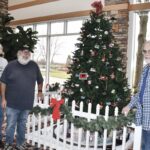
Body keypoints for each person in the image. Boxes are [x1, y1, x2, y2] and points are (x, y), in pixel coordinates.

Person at [0, 48, 43, 150]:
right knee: (10, 125)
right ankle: (8, 143)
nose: (26, 54)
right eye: (24, 52)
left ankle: (20, 143)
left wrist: (40, 91)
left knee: (22, 124)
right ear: (19, 53)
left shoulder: (34, 65)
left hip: (26, 103)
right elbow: (3, 82)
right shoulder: (11, 65)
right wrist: (3, 98)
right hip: (12, 103)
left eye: (28, 52)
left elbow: (40, 80)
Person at [122, 40, 150, 150]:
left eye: (149, 51)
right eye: (145, 51)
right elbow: (140, 93)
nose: (147, 54)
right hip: (143, 117)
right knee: (143, 146)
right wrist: (129, 106)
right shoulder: (145, 70)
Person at [0, 44, 8, 148]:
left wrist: (4, 97)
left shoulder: (4, 62)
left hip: (1, 91)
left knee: (0, 115)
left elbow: (6, 79)